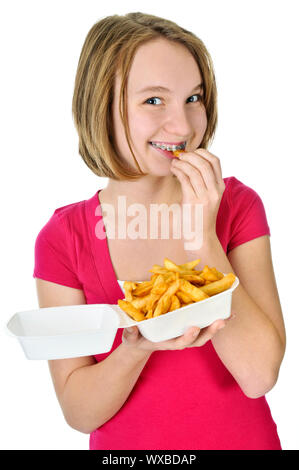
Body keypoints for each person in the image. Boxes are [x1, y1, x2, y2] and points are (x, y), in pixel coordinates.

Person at [33, 12, 286, 450]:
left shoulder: (238, 207)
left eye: (194, 98)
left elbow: (259, 376)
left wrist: (203, 238)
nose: (184, 127)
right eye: (154, 101)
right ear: (100, 107)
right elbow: (79, 412)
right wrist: (136, 346)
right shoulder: (63, 239)